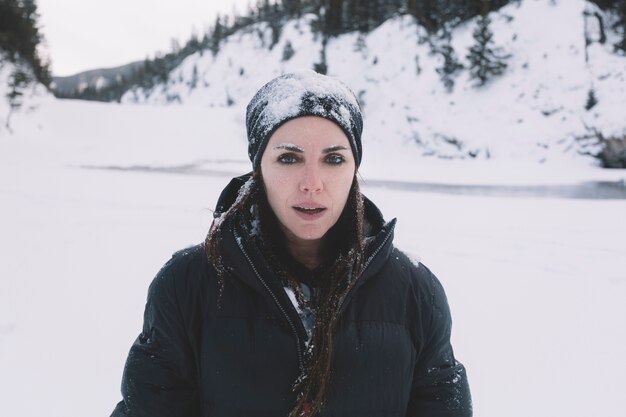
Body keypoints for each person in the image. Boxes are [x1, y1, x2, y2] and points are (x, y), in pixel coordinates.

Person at [111, 71, 472, 417]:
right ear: (259, 168)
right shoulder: (186, 284)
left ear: (353, 169)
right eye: (289, 158)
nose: (312, 183)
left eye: (333, 159)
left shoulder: (416, 293)